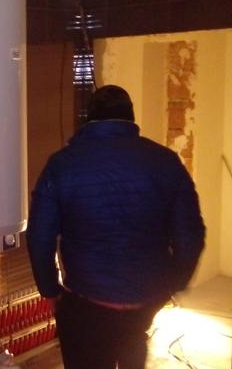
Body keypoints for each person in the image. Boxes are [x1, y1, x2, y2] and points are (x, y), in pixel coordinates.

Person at [26, 85, 205, 369]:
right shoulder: (166, 162)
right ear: (131, 119)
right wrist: (172, 284)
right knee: (133, 355)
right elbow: (191, 235)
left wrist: (50, 290)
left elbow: (39, 237)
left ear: (89, 119)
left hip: (85, 302)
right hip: (142, 302)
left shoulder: (62, 165)